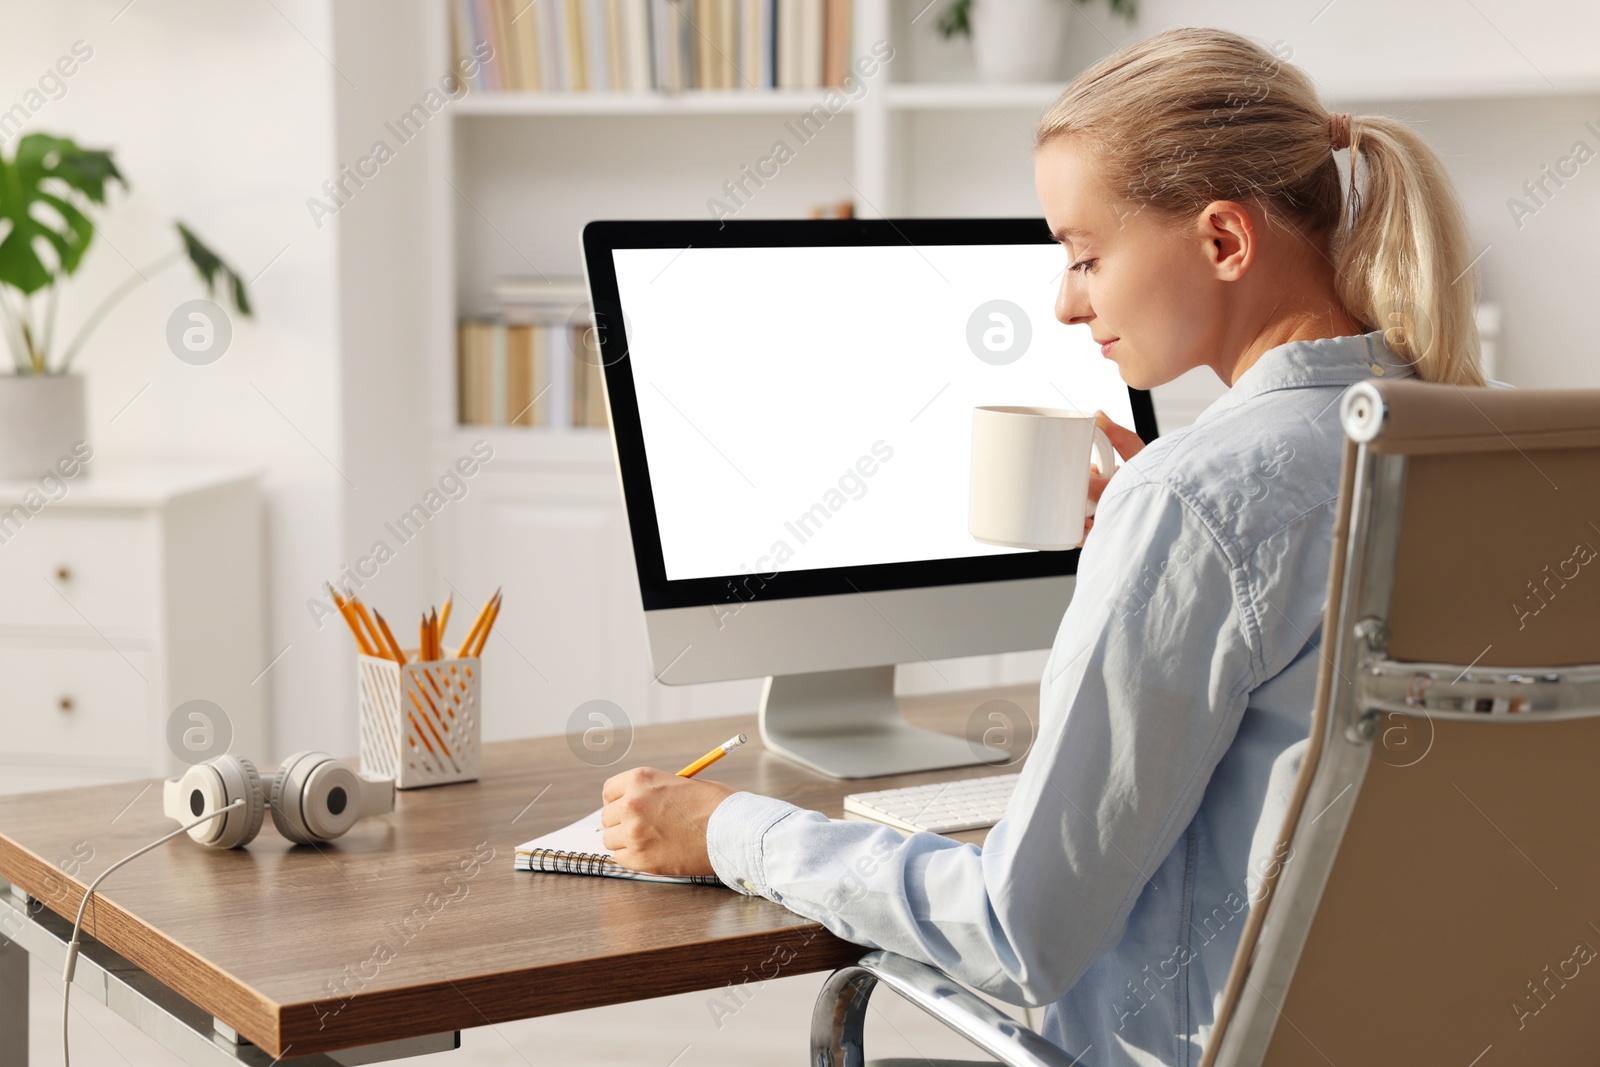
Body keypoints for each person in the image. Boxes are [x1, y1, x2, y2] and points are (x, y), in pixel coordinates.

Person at [599, 26, 1487, 1063]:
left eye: (1084, 254)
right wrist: (1146, 547)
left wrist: (728, 831)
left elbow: (1019, 930)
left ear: (1223, 242)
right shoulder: (1493, 443)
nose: (1065, 301)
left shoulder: (1197, 493)